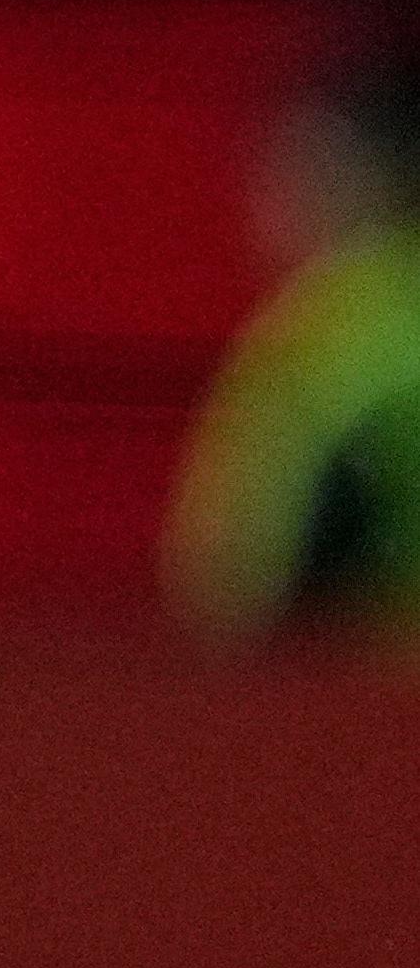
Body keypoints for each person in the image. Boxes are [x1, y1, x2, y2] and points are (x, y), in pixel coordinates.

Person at [166, 35, 420, 641]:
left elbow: (238, 569)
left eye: (284, 159)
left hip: (361, 701)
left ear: (349, 170)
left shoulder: (335, 328)